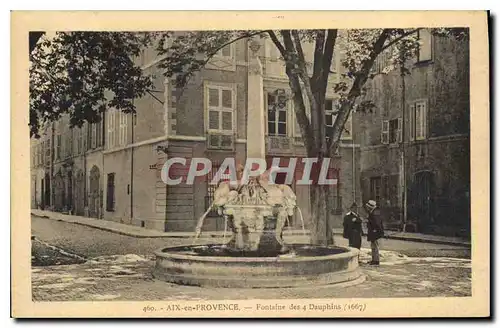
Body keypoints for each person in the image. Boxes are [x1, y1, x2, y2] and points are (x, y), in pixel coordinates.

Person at [364, 200, 384, 265]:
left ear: (370, 207)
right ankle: (374, 260)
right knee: (373, 246)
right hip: (374, 231)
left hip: (375, 232)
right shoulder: (373, 212)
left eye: (368, 207)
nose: (367, 208)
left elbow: (377, 222)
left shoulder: (375, 212)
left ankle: (376, 261)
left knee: (375, 246)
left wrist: (375, 229)